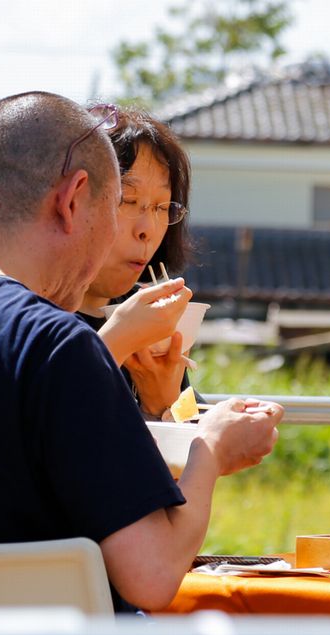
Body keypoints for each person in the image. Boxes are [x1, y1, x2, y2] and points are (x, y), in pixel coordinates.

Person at [0, 92, 283, 613]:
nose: (138, 233)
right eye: (119, 204)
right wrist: (208, 449)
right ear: (74, 199)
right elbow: (152, 575)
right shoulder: (56, 344)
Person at [74, 107, 199, 420]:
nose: (147, 229)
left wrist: (165, 401)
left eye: (161, 207)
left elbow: (184, 465)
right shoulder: (31, 318)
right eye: (128, 201)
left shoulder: (155, 321)